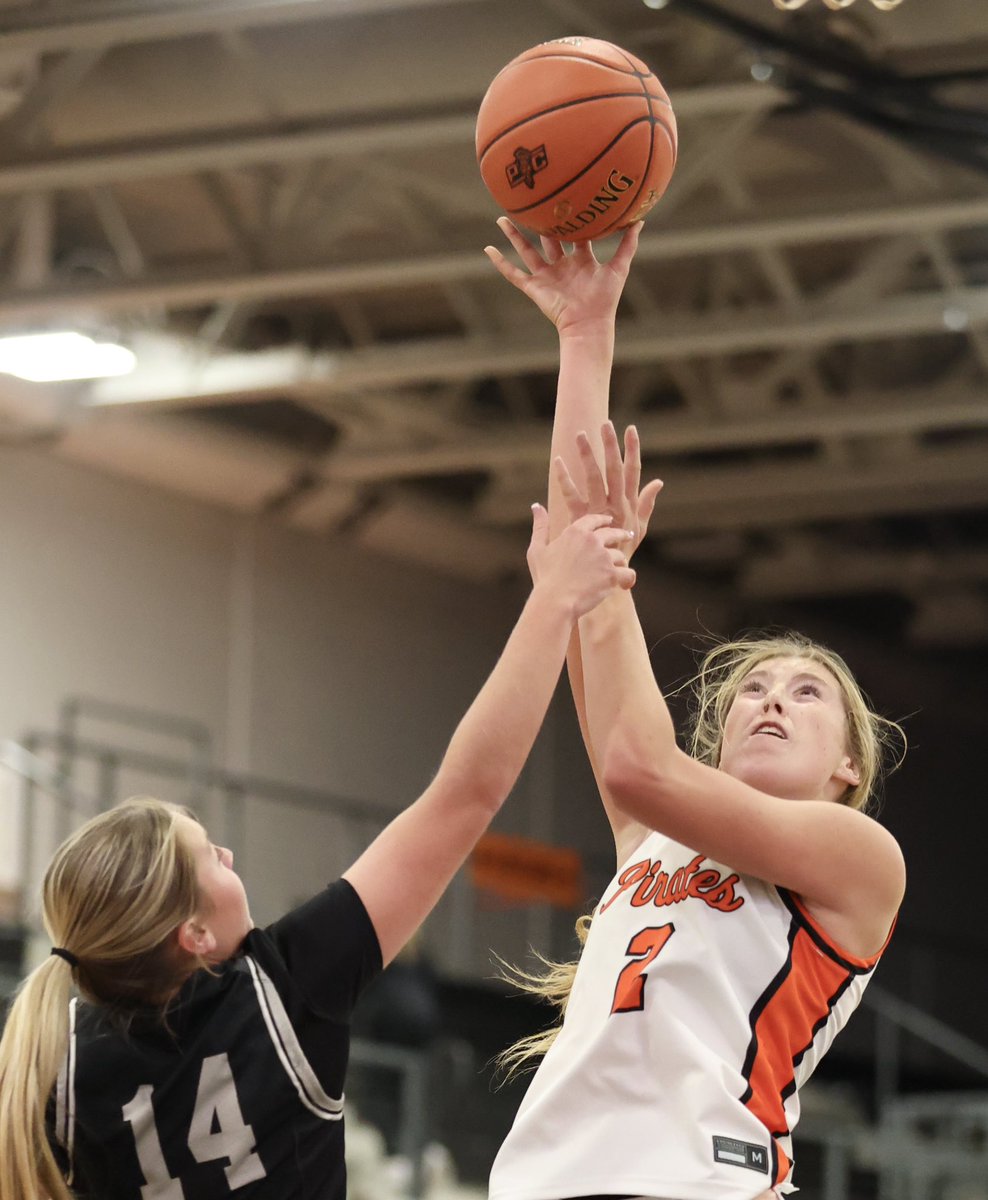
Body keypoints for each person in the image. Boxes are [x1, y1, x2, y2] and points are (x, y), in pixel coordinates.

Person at [0, 506, 636, 1200]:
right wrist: (552, 603)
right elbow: (466, 795)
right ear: (195, 934)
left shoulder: (60, 1070)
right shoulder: (279, 989)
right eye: (211, 856)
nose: (231, 854)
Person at [483, 218, 907, 1200]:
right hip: (544, 1182)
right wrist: (584, 338)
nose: (771, 700)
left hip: (704, 1183)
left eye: (807, 696)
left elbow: (638, 761)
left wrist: (612, 572)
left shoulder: (855, 860)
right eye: (754, 689)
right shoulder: (654, 839)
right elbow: (577, 571)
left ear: (848, 768)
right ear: (718, 739)